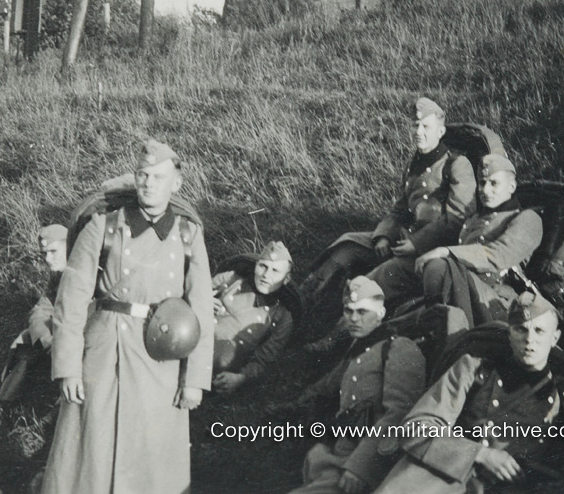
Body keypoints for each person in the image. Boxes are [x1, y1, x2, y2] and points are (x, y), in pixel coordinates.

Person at [41, 140, 214, 494]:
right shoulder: (102, 227)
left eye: (158, 177)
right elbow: (71, 302)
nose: (149, 183)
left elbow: (201, 310)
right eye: (143, 175)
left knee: (152, 455)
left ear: (175, 184)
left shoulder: (188, 234)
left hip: (162, 357)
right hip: (105, 355)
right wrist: (69, 366)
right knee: (91, 450)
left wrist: (195, 378)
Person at [296, 97, 476, 330]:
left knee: (371, 283)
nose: (419, 132)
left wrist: (416, 244)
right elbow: (401, 208)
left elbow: (458, 218)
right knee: (346, 245)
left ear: (440, 131)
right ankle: (301, 302)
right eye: (415, 126)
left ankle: (335, 336)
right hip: (401, 240)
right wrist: (383, 235)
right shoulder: (414, 163)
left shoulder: (456, 165)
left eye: (426, 127)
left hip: (428, 252)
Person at [372, 291, 564, 494]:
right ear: (509, 334)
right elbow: (415, 428)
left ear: (555, 338)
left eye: (539, 331)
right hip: (436, 479)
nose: (529, 339)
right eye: (520, 329)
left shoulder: (562, 399)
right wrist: (480, 454)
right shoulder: (474, 370)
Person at [286, 276, 426, 494]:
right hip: (338, 451)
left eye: (362, 312)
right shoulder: (360, 348)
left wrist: (361, 467)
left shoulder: (398, 347)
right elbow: (329, 384)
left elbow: (400, 412)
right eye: (348, 311)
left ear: (379, 315)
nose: (353, 318)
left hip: (370, 459)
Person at [371, 154, 543, 326]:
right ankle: (361, 301)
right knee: (400, 267)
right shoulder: (475, 218)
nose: (485, 190)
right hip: (459, 286)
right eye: (482, 183)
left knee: (438, 266)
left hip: (494, 299)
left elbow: (499, 255)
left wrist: (445, 251)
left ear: (512, 187)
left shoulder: (527, 219)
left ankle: (447, 330)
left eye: (494, 183)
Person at [0, 224, 68, 402]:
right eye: (44, 253)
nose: (48, 259)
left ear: (70, 246)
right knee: (27, 338)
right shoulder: (57, 276)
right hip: (60, 333)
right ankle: (1, 405)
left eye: (53, 251)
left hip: (80, 335)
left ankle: (50, 419)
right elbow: (41, 309)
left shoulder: (89, 274)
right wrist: (45, 338)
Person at [212, 240, 294, 393]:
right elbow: (193, 290)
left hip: (219, 362)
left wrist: (240, 378)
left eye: (275, 271)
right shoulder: (231, 279)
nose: (266, 275)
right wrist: (203, 300)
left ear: (286, 279)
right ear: (255, 265)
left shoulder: (282, 316)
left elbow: (264, 359)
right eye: (263, 266)